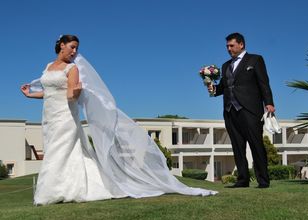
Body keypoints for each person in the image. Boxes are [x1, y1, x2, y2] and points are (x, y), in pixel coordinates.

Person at [21, 35, 217, 205]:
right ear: (61, 45)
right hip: (49, 116)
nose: (74, 52)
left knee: (60, 150)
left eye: (76, 49)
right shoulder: (48, 66)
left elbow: (71, 96)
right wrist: (31, 95)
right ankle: (59, 189)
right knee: (54, 149)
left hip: (66, 115)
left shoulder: (72, 69)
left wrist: (78, 92)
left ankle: (54, 193)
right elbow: (49, 92)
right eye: (72, 47)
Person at [208, 33, 275, 188]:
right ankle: (242, 180)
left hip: (250, 110)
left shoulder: (255, 60)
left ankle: (263, 180)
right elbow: (222, 89)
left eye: (231, 45)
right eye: (227, 46)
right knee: (237, 147)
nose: (229, 49)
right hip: (230, 111)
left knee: (256, 145)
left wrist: (269, 103)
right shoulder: (225, 66)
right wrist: (211, 87)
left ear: (241, 44)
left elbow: (264, 83)